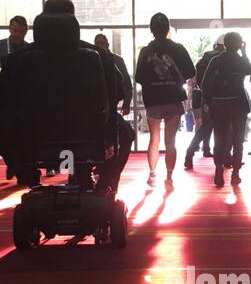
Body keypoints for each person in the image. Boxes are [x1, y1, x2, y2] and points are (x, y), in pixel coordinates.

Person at [0, 0, 132, 196]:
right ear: (72, 20)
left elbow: (6, 107)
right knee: (125, 133)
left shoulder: (16, 61)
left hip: (35, 136)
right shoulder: (97, 56)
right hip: (88, 133)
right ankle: (106, 184)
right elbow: (118, 93)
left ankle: (32, 181)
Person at [135, 12, 196, 188]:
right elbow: (190, 72)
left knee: (154, 138)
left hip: (153, 98)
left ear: (151, 29)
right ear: (167, 28)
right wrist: (177, 79)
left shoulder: (146, 51)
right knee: (171, 140)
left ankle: (152, 174)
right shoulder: (178, 49)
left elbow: (139, 76)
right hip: (174, 97)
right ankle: (169, 178)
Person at [202, 31, 251, 189]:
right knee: (238, 140)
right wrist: (244, 53)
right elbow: (250, 70)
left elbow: (205, 83)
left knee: (220, 138)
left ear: (225, 44)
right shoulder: (240, 60)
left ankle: (219, 170)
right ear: (239, 45)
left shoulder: (216, 60)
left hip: (219, 104)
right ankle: (235, 174)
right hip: (238, 103)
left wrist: (209, 101)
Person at [0, 16, 28, 176]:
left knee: (20, 135)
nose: (16, 34)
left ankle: (20, 169)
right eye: (13, 30)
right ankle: (11, 163)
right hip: (1, 98)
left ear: (26, 31)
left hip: (23, 100)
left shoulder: (30, 50)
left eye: (19, 31)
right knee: (0, 135)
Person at [185, 40, 222, 169]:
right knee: (225, 129)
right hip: (221, 99)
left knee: (205, 128)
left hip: (204, 98)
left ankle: (190, 153)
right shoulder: (222, 59)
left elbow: (200, 82)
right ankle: (225, 158)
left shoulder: (202, 61)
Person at [95, 33, 134, 116]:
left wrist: (126, 103)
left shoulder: (116, 60)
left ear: (107, 45)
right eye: (97, 44)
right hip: (101, 100)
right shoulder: (94, 60)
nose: (99, 46)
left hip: (111, 98)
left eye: (101, 43)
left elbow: (127, 83)